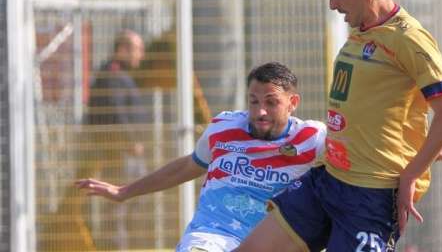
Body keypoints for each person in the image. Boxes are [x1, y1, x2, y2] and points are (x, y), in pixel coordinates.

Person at [235, 0, 442, 252]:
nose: (332, 4)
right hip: (329, 178)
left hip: (371, 198)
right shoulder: (363, 28)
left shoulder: (407, 38)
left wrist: (412, 174)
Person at [76, 62, 327, 252]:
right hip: (211, 235)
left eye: (271, 103)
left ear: (292, 102)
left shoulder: (312, 138)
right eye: (253, 101)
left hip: (271, 241)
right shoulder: (224, 127)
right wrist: (124, 192)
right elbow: (187, 166)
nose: (260, 111)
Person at [83, 29, 150, 249]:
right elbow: (116, 111)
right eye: (137, 49)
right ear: (122, 50)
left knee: (131, 200)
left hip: (124, 152)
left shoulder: (119, 75)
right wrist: (130, 141)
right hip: (120, 152)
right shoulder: (112, 76)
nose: (141, 54)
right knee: (118, 205)